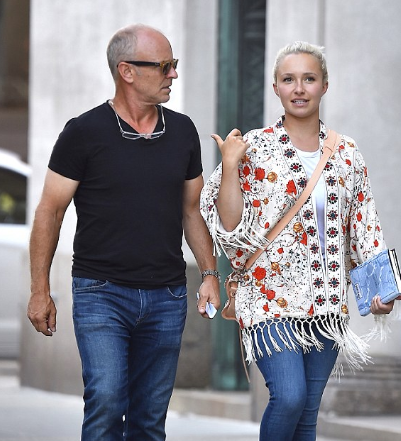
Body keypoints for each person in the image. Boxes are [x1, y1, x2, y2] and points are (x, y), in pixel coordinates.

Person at [27, 23, 220, 441]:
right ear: (127, 71)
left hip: (167, 296)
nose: (173, 74)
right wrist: (40, 289)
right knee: (107, 401)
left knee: (150, 421)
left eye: (175, 65)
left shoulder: (184, 131)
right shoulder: (83, 132)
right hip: (101, 292)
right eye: (165, 66)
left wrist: (209, 273)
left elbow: (192, 211)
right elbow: (49, 210)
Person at [200, 41, 399, 441]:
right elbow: (227, 222)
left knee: (307, 415)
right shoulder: (254, 147)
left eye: (309, 78)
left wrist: (382, 293)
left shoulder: (347, 153)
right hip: (269, 300)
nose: (299, 88)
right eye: (289, 79)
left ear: (325, 85)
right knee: (288, 398)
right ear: (275, 87)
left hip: (326, 306)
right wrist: (232, 164)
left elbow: (364, 224)